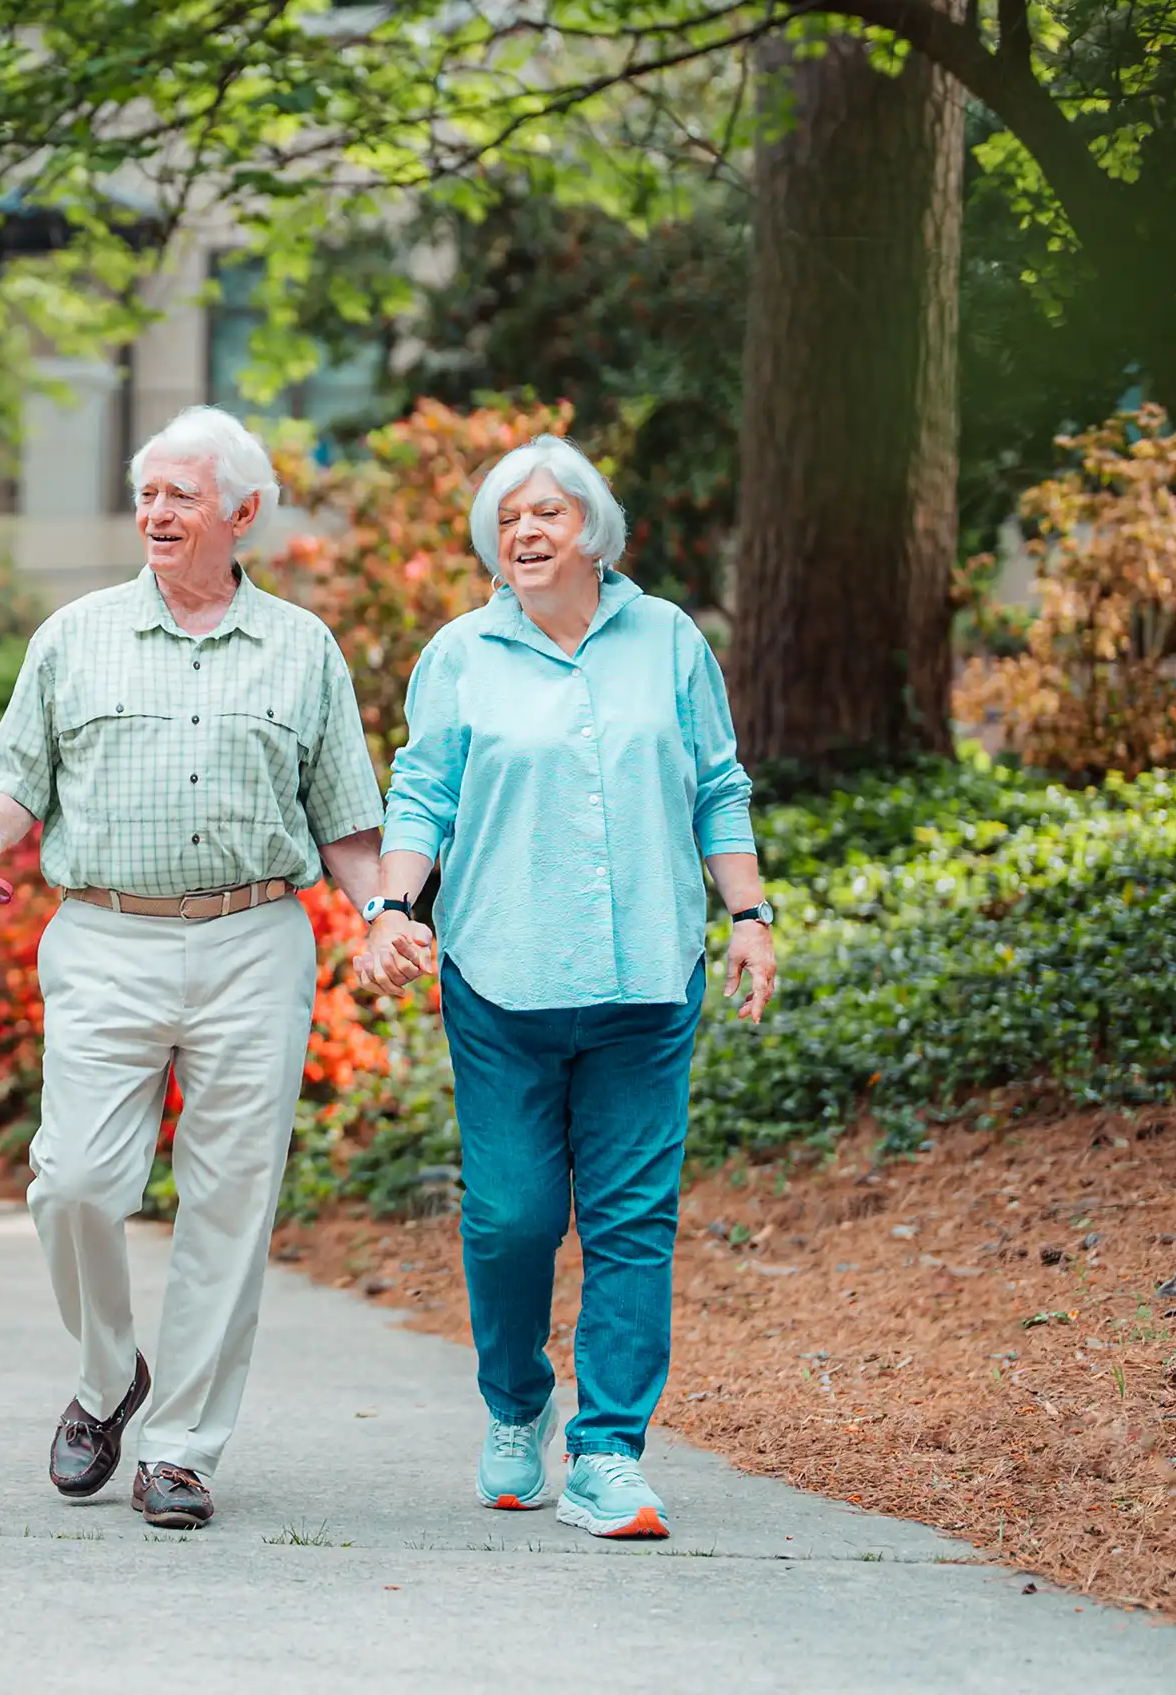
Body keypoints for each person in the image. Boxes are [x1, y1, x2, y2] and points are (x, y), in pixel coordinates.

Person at [0, 405, 386, 1530]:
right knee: (76, 1184)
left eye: (181, 495)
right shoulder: (74, 635)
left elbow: (345, 827)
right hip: (104, 937)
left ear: (242, 513)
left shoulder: (303, 650)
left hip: (252, 939)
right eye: (148, 494)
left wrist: (386, 912)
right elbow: (14, 781)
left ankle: (182, 1449)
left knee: (230, 1204)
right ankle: (108, 1381)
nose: (157, 512)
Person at [354, 434, 776, 1540]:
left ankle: (608, 1454)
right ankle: (515, 1405)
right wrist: (394, 908)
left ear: (593, 526)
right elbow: (423, 793)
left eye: (548, 512)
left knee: (634, 1222)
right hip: (502, 976)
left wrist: (750, 918)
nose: (527, 532)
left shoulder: (670, 641)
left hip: (648, 979)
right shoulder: (460, 653)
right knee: (510, 1219)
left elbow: (718, 785)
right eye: (508, 519)